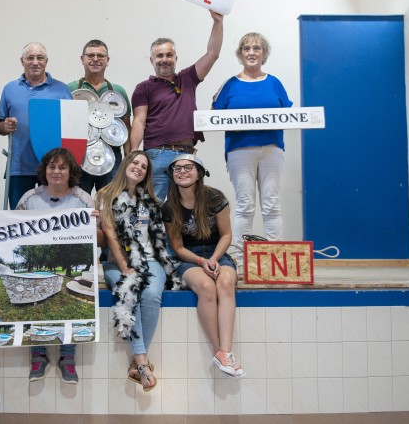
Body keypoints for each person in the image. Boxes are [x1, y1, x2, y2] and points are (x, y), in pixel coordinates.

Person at [96, 150, 179, 392]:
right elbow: (110, 235)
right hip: (116, 261)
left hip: (151, 260)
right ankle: (142, 361)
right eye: (135, 162)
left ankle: (137, 361)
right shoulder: (105, 195)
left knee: (151, 294)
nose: (139, 168)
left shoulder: (152, 201)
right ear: (125, 165)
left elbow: (159, 239)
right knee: (129, 291)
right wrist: (125, 268)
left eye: (144, 166)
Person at [16, 148, 96, 384]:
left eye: (62, 167)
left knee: (68, 303)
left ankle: (67, 356)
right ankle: (38, 353)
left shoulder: (83, 200)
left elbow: (97, 238)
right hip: (37, 264)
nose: (56, 171)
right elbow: (9, 231)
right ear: (44, 170)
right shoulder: (30, 198)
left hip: (69, 264)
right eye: (52, 166)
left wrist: (97, 225)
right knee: (35, 300)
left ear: (71, 171)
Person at [162, 154, 245, 378]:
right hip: (189, 258)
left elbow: (227, 235)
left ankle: (225, 351)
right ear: (172, 175)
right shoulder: (169, 207)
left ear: (199, 172)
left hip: (217, 252)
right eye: (177, 168)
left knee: (226, 282)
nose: (182, 171)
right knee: (207, 288)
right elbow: (178, 248)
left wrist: (214, 259)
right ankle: (221, 352)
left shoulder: (214, 197)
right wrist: (201, 261)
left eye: (188, 167)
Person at [130, 11, 224, 202]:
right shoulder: (143, 88)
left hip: (187, 155)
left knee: (188, 208)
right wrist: (133, 152)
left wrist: (218, 22)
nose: (164, 59)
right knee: (157, 208)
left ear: (175, 57)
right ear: (151, 60)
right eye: (159, 55)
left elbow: (213, 54)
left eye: (169, 55)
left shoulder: (188, 78)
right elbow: (139, 121)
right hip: (157, 155)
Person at [212, 33, 292, 254]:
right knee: (245, 206)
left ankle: (276, 257)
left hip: (271, 149)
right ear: (240, 54)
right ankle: (238, 258)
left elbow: (288, 113)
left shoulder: (275, 83)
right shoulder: (230, 84)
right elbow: (214, 116)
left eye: (256, 48)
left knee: (272, 204)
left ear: (263, 53)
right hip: (240, 150)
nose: (251, 52)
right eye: (246, 48)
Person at [0, 42, 73, 209]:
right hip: (19, 167)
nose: (35, 62)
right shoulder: (9, 89)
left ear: (46, 61)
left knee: (54, 221)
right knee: (20, 221)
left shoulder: (62, 89)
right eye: (30, 58)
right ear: (22, 61)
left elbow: (71, 126)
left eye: (40, 58)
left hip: (54, 167)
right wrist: (4, 126)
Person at [67, 39, 132, 194]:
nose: (95, 59)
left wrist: (128, 160)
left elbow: (126, 128)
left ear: (107, 60)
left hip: (113, 158)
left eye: (100, 56)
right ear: (82, 59)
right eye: (90, 55)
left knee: (111, 204)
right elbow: (63, 126)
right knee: (78, 204)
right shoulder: (69, 89)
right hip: (78, 157)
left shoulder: (118, 91)